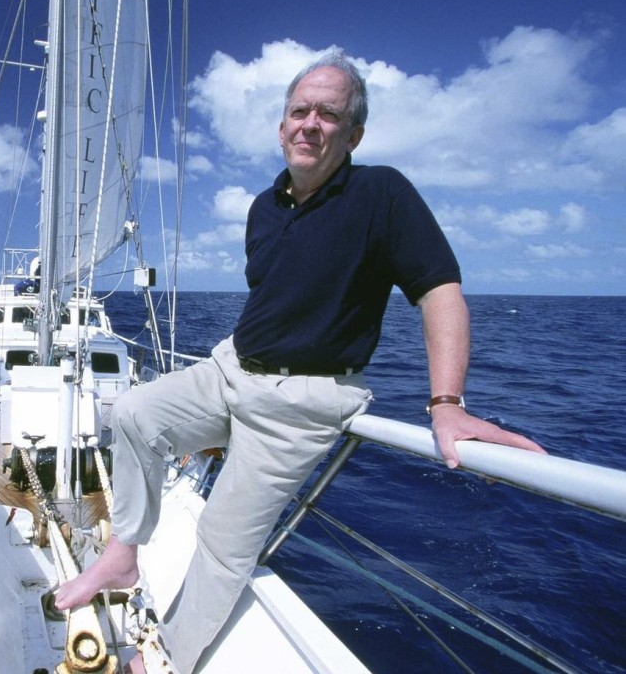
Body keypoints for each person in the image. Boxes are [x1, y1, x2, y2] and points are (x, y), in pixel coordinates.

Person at [54, 52, 546, 673]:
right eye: (299, 110)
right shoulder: (265, 206)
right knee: (131, 412)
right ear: (282, 124)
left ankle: (162, 660)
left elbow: (440, 290)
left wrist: (446, 404)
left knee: (220, 547)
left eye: (328, 113)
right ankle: (123, 550)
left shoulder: (382, 193)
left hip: (299, 403)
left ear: (353, 133)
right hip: (229, 370)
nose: (310, 123)